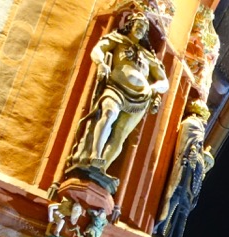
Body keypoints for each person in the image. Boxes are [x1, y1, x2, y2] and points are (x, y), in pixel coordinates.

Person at [69, 11, 168, 179]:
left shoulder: (149, 56)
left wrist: (154, 88)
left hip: (140, 99)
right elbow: (97, 50)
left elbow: (164, 82)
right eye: (138, 24)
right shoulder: (118, 40)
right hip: (116, 87)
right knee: (109, 114)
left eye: (144, 27)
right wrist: (101, 64)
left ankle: (101, 171)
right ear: (130, 25)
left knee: (120, 135)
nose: (140, 28)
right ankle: (94, 156)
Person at [154, 99, 214, 237]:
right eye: (204, 117)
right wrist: (194, 156)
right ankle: (160, 230)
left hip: (190, 178)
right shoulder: (192, 124)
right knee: (174, 201)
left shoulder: (197, 127)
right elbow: (188, 146)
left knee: (183, 210)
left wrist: (200, 158)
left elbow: (196, 148)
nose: (205, 122)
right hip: (184, 173)